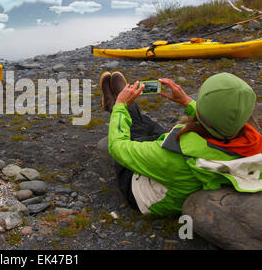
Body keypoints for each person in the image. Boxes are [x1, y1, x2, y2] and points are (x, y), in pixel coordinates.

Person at [99, 71, 262, 216]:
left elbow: (117, 147)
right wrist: (186, 101)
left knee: (135, 130)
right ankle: (118, 104)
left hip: (141, 192)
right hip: (182, 169)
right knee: (147, 126)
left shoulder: (175, 155)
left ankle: (115, 104)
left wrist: (121, 104)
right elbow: (217, 122)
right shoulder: (253, 144)